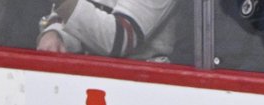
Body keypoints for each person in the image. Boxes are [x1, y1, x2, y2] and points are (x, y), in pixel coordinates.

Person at [35, 0, 184, 62]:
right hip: (84, 80)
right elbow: (72, 15)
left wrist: (64, 2)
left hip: (143, 89)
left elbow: (119, 38)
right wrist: (56, 34)